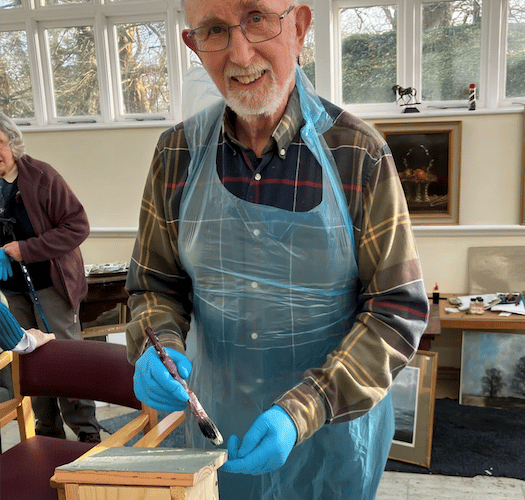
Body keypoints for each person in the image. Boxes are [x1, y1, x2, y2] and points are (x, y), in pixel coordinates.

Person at [126, 1, 429, 498]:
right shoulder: (175, 155)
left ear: (301, 26)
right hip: (214, 431)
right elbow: (154, 283)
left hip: (332, 436)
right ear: (193, 46)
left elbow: (396, 311)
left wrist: (301, 411)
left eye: (257, 18)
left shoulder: (358, 154)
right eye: (215, 31)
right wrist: (158, 343)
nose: (241, 54)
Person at [0, 112, 101, 443]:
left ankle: (87, 435)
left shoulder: (40, 175)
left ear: (11, 142)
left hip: (52, 287)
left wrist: (26, 249)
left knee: (67, 358)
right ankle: (47, 435)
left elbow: (78, 226)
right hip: (14, 292)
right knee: (28, 362)